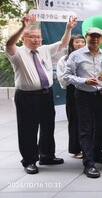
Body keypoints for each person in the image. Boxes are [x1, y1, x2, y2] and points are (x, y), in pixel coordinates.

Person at [6, 14, 76, 174]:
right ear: (23, 39)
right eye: (32, 37)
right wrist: (23, 26)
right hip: (27, 96)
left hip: (46, 94)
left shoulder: (44, 50)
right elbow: (9, 43)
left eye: (39, 37)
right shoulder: (17, 53)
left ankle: (47, 156)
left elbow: (64, 43)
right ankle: (29, 160)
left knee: (47, 126)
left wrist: (68, 28)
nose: (37, 40)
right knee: (28, 129)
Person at [63, 27, 102, 178]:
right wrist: (84, 80)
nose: (95, 39)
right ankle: (88, 163)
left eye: (98, 36)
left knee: (101, 127)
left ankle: (97, 153)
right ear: (86, 37)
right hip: (83, 95)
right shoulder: (76, 55)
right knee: (86, 129)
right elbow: (66, 76)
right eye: (92, 36)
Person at [57, 34, 86, 159]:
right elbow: (63, 80)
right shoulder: (64, 59)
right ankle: (76, 149)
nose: (80, 44)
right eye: (77, 42)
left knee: (87, 120)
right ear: (71, 44)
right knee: (74, 120)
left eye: (82, 42)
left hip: (87, 90)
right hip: (72, 90)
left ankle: (88, 148)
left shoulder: (89, 57)